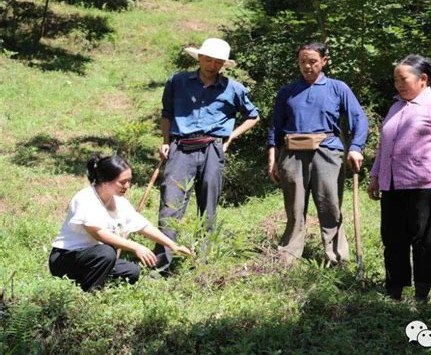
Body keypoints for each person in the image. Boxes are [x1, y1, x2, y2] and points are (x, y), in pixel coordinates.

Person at [154, 37, 259, 271]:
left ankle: (202, 263)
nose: (212, 65)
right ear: (199, 58)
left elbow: (253, 115)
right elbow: (167, 113)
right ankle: (161, 264)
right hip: (180, 146)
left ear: (224, 64)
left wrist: (231, 137)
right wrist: (165, 141)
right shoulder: (177, 82)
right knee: (170, 204)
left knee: (208, 205)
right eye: (208, 59)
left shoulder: (234, 88)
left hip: (213, 147)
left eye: (218, 62)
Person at [367, 55, 431, 301]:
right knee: (392, 239)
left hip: (424, 184)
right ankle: (394, 291)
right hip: (392, 184)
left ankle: (423, 292)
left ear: (423, 79)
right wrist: (375, 175)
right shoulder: (395, 107)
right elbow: (384, 148)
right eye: (395, 80)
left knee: (423, 239)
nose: (398, 85)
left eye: (403, 79)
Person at [268, 42, 368, 265]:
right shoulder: (287, 92)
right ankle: (288, 259)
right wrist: (273, 158)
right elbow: (275, 127)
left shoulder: (337, 88)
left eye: (312, 61)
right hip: (292, 154)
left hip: (327, 153)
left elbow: (359, 119)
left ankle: (337, 258)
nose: (307, 66)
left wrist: (355, 148)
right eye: (303, 61)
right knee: (294, 208)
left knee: (330, 206)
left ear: (324, 61)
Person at [49, 154, 192, 292]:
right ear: (105, 179)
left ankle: (87, 280)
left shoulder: (119, 202)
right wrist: (136, 247)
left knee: (132, 272)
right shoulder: (85, 198)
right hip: (65, 258)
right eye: (122, 182)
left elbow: (144, 226)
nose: (127, 186)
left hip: (94, 258)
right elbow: (99, 234)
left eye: (129, 181)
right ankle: (89, 292)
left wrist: (173, 245)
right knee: (106, 252)